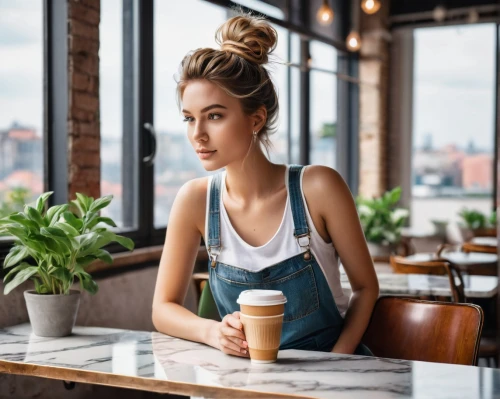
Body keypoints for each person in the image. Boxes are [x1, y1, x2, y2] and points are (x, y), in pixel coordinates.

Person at [152, 12, 379, 358]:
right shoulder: (194, 200)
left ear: (255, 118)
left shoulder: (317, 188)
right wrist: (213, 332)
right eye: (189, 118)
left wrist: (337, 360)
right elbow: (163, 308)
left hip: (332, 373)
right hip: (245, 380)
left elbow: (366, 288)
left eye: (214, 116)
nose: (197, 134)